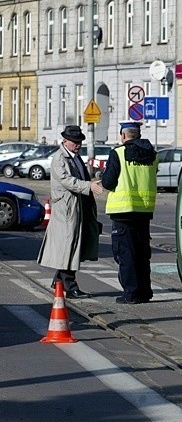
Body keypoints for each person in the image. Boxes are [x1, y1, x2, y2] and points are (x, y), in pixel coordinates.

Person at [37, 125, 103, 299]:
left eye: (80, 141)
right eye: (75, 141)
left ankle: (59, 282)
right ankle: (70, 286)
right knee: (69, 247)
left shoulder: (74, 157)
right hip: (66, 209)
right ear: (64, 141)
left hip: (75, 207)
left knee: (71, 246)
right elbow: (67, 180)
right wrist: (89, 186)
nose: (78, 144)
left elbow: (78, 178)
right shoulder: (60, 158)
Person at [100, 121, 159, 304]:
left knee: (126, 254)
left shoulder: (118, 153)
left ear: (123, 136)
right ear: (138, 134)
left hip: (123, 211)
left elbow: (108, 183)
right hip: (144, 210)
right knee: (142, 254)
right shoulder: (152, 155)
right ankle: (144, 291)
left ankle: (131, 293)